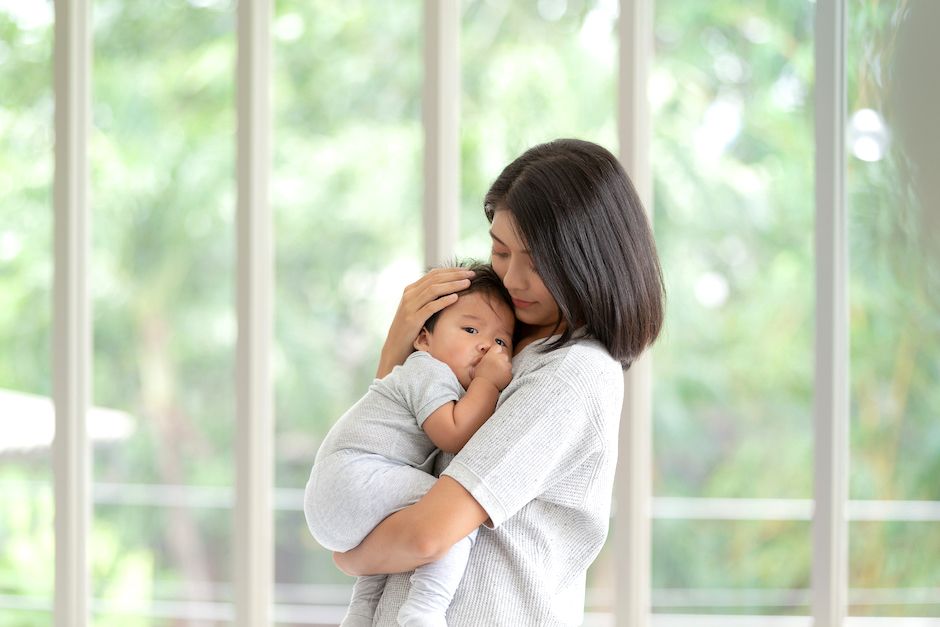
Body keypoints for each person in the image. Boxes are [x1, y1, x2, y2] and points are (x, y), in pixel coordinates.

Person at [328, 138, 666, 626]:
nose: (513, 279)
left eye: (538, 261)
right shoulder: (497, 343)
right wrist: (398, 351)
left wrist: (352, 555)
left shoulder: (571, 374)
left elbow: (426, 535)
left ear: (589, 261)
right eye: (501, 250)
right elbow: (386, 448)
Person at [304, 262, 515, 627]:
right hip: (354, 476)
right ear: (423, 339)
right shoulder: (426, 369)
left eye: (500, 341)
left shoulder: (430, 376)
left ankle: (359, 615)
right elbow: (452, 434)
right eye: (470, 329)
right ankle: (425, 611)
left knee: (394, 532)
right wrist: (489, 384)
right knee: (452, 520)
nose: (486, 345)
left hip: (338, 492)